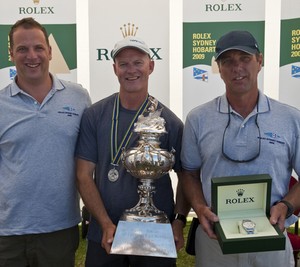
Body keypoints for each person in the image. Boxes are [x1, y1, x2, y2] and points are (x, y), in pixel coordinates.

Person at [181, 30, 300, 267]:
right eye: (228, 61)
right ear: (219, 68)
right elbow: (189, 173)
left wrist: (286, 206)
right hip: (215, 240)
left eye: (245, 59)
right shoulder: (198, 118)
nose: (237, 68)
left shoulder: (290, 118)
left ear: (260, 61)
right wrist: (200, 207)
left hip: (271, 240)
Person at [76, 35, 190, 267]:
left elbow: (186, 176)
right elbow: (83, 174)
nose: (131, 70)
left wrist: (178, 222)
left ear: (151, 66)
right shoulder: (95, 115)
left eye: (138, 62)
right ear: (115, 69)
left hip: (155, 234)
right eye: (123, 64)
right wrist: (106, 224)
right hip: (105, 231)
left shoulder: (169, 121)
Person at [0, 17, 91, 266]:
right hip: (7, 232)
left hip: (59, 227)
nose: (32, 55)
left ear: (50, 51)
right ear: (11, 54)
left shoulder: (79, 97)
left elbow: (90, 159)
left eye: (38, 47)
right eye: (22, 49)